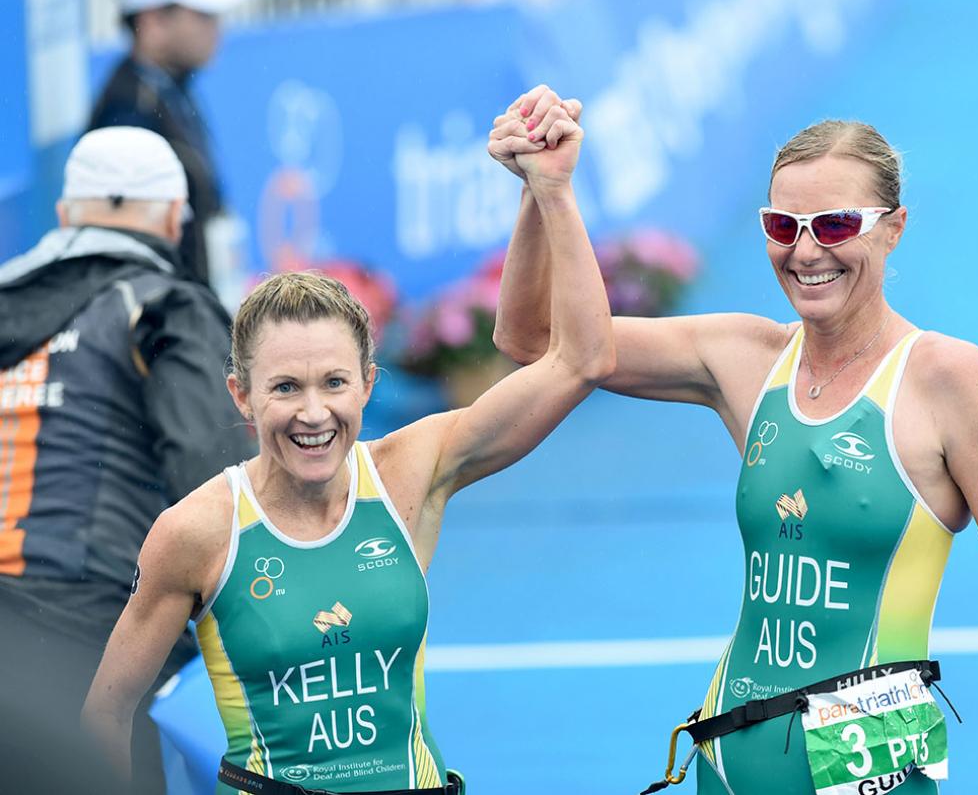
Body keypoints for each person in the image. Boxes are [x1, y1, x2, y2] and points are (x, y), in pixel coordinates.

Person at [489, 86, 978, 794]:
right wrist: (544, 190)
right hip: (730, 756)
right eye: (781, 225)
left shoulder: (947, 378)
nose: (804, 252)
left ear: (893, 229)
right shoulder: (745, 358)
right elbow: (533, 341)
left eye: (833, 226)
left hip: (875, 760)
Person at [83, 103, 612, 793]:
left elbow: (580, 361)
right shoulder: (198, 532)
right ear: (240, 396)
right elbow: (103, 716)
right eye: (285, 388)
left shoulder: (408, 475)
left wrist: (549, 191)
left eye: (334, 383)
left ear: (368, 384)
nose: (313, 413)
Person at [0, 125, 256, 794]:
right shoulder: (162, 304)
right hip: (92, 633)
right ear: (176, 219)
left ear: (62, 216)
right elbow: (218, 478)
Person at [89, 0, 244, 286]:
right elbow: (129, 243)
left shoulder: (169, 88)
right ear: (152, 22)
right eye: (203, 17)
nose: (217, 29)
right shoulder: (129, 109)